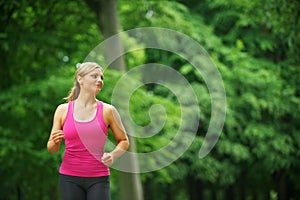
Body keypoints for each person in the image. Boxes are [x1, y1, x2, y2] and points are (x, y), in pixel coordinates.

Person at [47, 62, 129, 200]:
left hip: (99, 178)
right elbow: (52, 149)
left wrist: (113, 155)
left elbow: (124, 141)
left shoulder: (108, 111)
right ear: (80, 79)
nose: (100, 80)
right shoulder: (63, 110)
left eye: (101, 77)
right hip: (69, 178)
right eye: (94, 76)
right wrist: (55, 142)